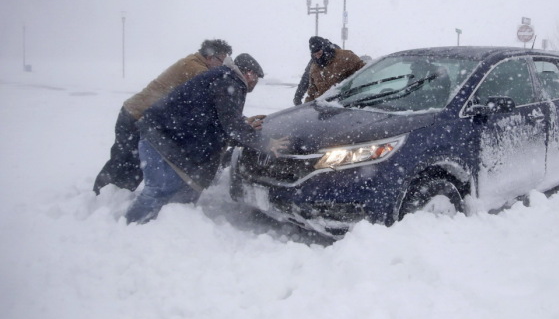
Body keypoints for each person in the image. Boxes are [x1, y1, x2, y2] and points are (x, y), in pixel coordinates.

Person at [124, 53, 287, 224]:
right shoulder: (229, 82)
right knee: (160, 189)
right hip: (162, 137)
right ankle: (131, 226)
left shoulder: (225, 78)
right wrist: (266, 143)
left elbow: (223, 116)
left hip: (171, 137)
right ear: (248, 73)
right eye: (256, 78)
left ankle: (169, 228)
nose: (255, 83)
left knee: (185, 193)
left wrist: (244, 123)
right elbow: (231, 125)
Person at [93, 39, 232, 195]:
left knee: (132, 164)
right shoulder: (193, 66)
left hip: (140, 117)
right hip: (135, 116)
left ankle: (111, 197)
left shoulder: (193, 63)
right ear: (210, 57)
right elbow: (214, 88)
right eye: (222, 60)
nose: (223, 65)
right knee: (123, 162)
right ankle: (100, 197)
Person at [304, 36, 366, 102]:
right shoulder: (314, 67)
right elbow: (311, 92)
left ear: (325, 49)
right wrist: (305, 108)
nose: (318, 57)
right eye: (315, 55)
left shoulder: (345, 57)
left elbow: (365, 72)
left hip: (345, 104)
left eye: (319, 53)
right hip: (322, 106)